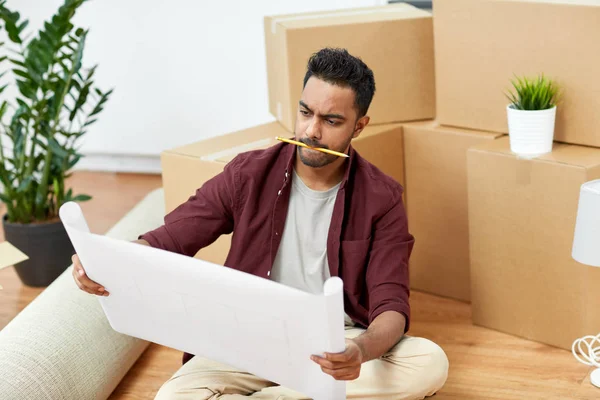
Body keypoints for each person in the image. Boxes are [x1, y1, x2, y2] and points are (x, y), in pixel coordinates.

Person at [72, 47, 448, 399]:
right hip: (244, 337)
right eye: (305, 113)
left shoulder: (382, 198)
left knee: (428, 363)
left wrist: (358, 350)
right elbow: (172, 237)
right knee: (172, 396)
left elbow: (391, 305)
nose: (311, 132)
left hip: (335, 344)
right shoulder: (248, 174)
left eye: (331, 120)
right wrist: (105, 262)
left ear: (359, 125)